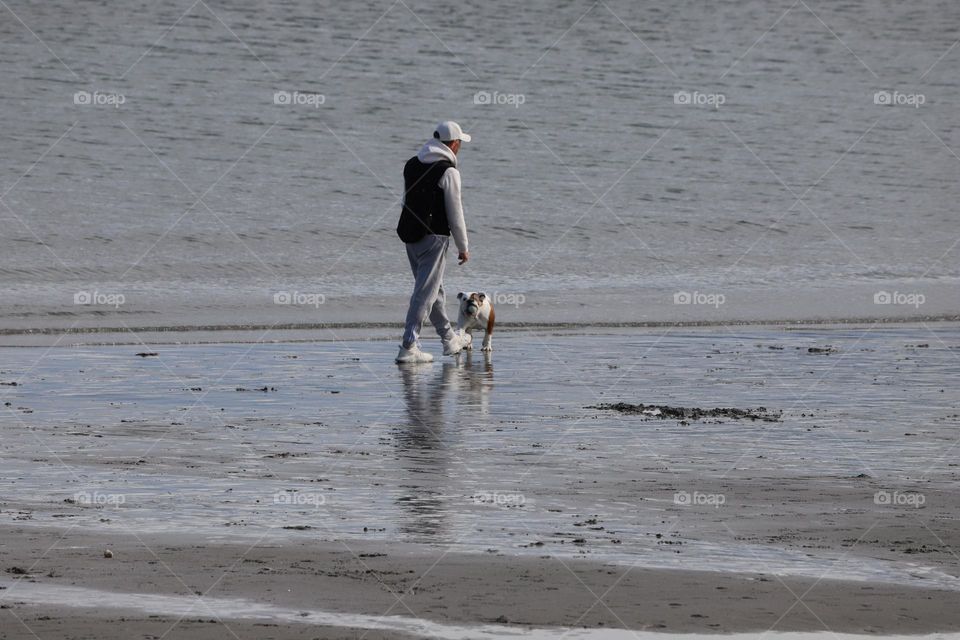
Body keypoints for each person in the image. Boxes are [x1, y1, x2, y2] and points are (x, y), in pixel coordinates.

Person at [395, 121, 473, 364]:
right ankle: (408, 345)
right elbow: (455, 212)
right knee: (425, 293)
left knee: (432, 289)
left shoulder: (412, 164)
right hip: (435, 238)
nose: (460, 147)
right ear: (453, 144)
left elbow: (405, 200)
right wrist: (463, 246)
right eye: (460, 143)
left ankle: (449, 339)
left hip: (410, 234)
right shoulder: (449, 172)